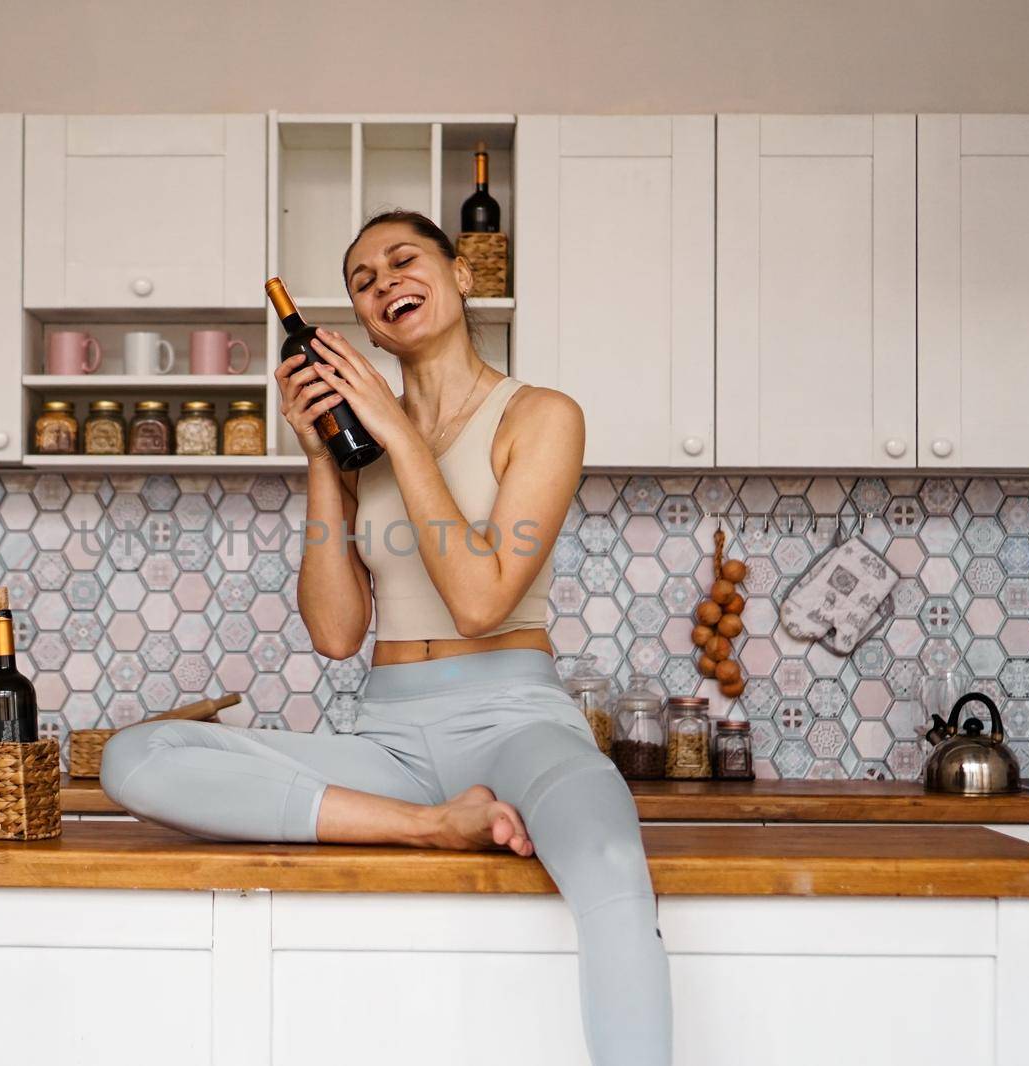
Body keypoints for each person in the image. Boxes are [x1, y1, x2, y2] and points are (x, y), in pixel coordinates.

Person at [101, 210, 672, 1065]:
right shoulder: (358, 446)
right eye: (363, 282)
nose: (384, 283)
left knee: (607, 860)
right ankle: (430, 826)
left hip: (517, 722)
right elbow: (336, 634)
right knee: (134, 759)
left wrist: (398, 430)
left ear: (461, 275)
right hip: (391, 741)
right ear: (362, 321)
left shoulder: (540, 416)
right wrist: (320, 461)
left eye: (403, 261)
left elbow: (481, 601)